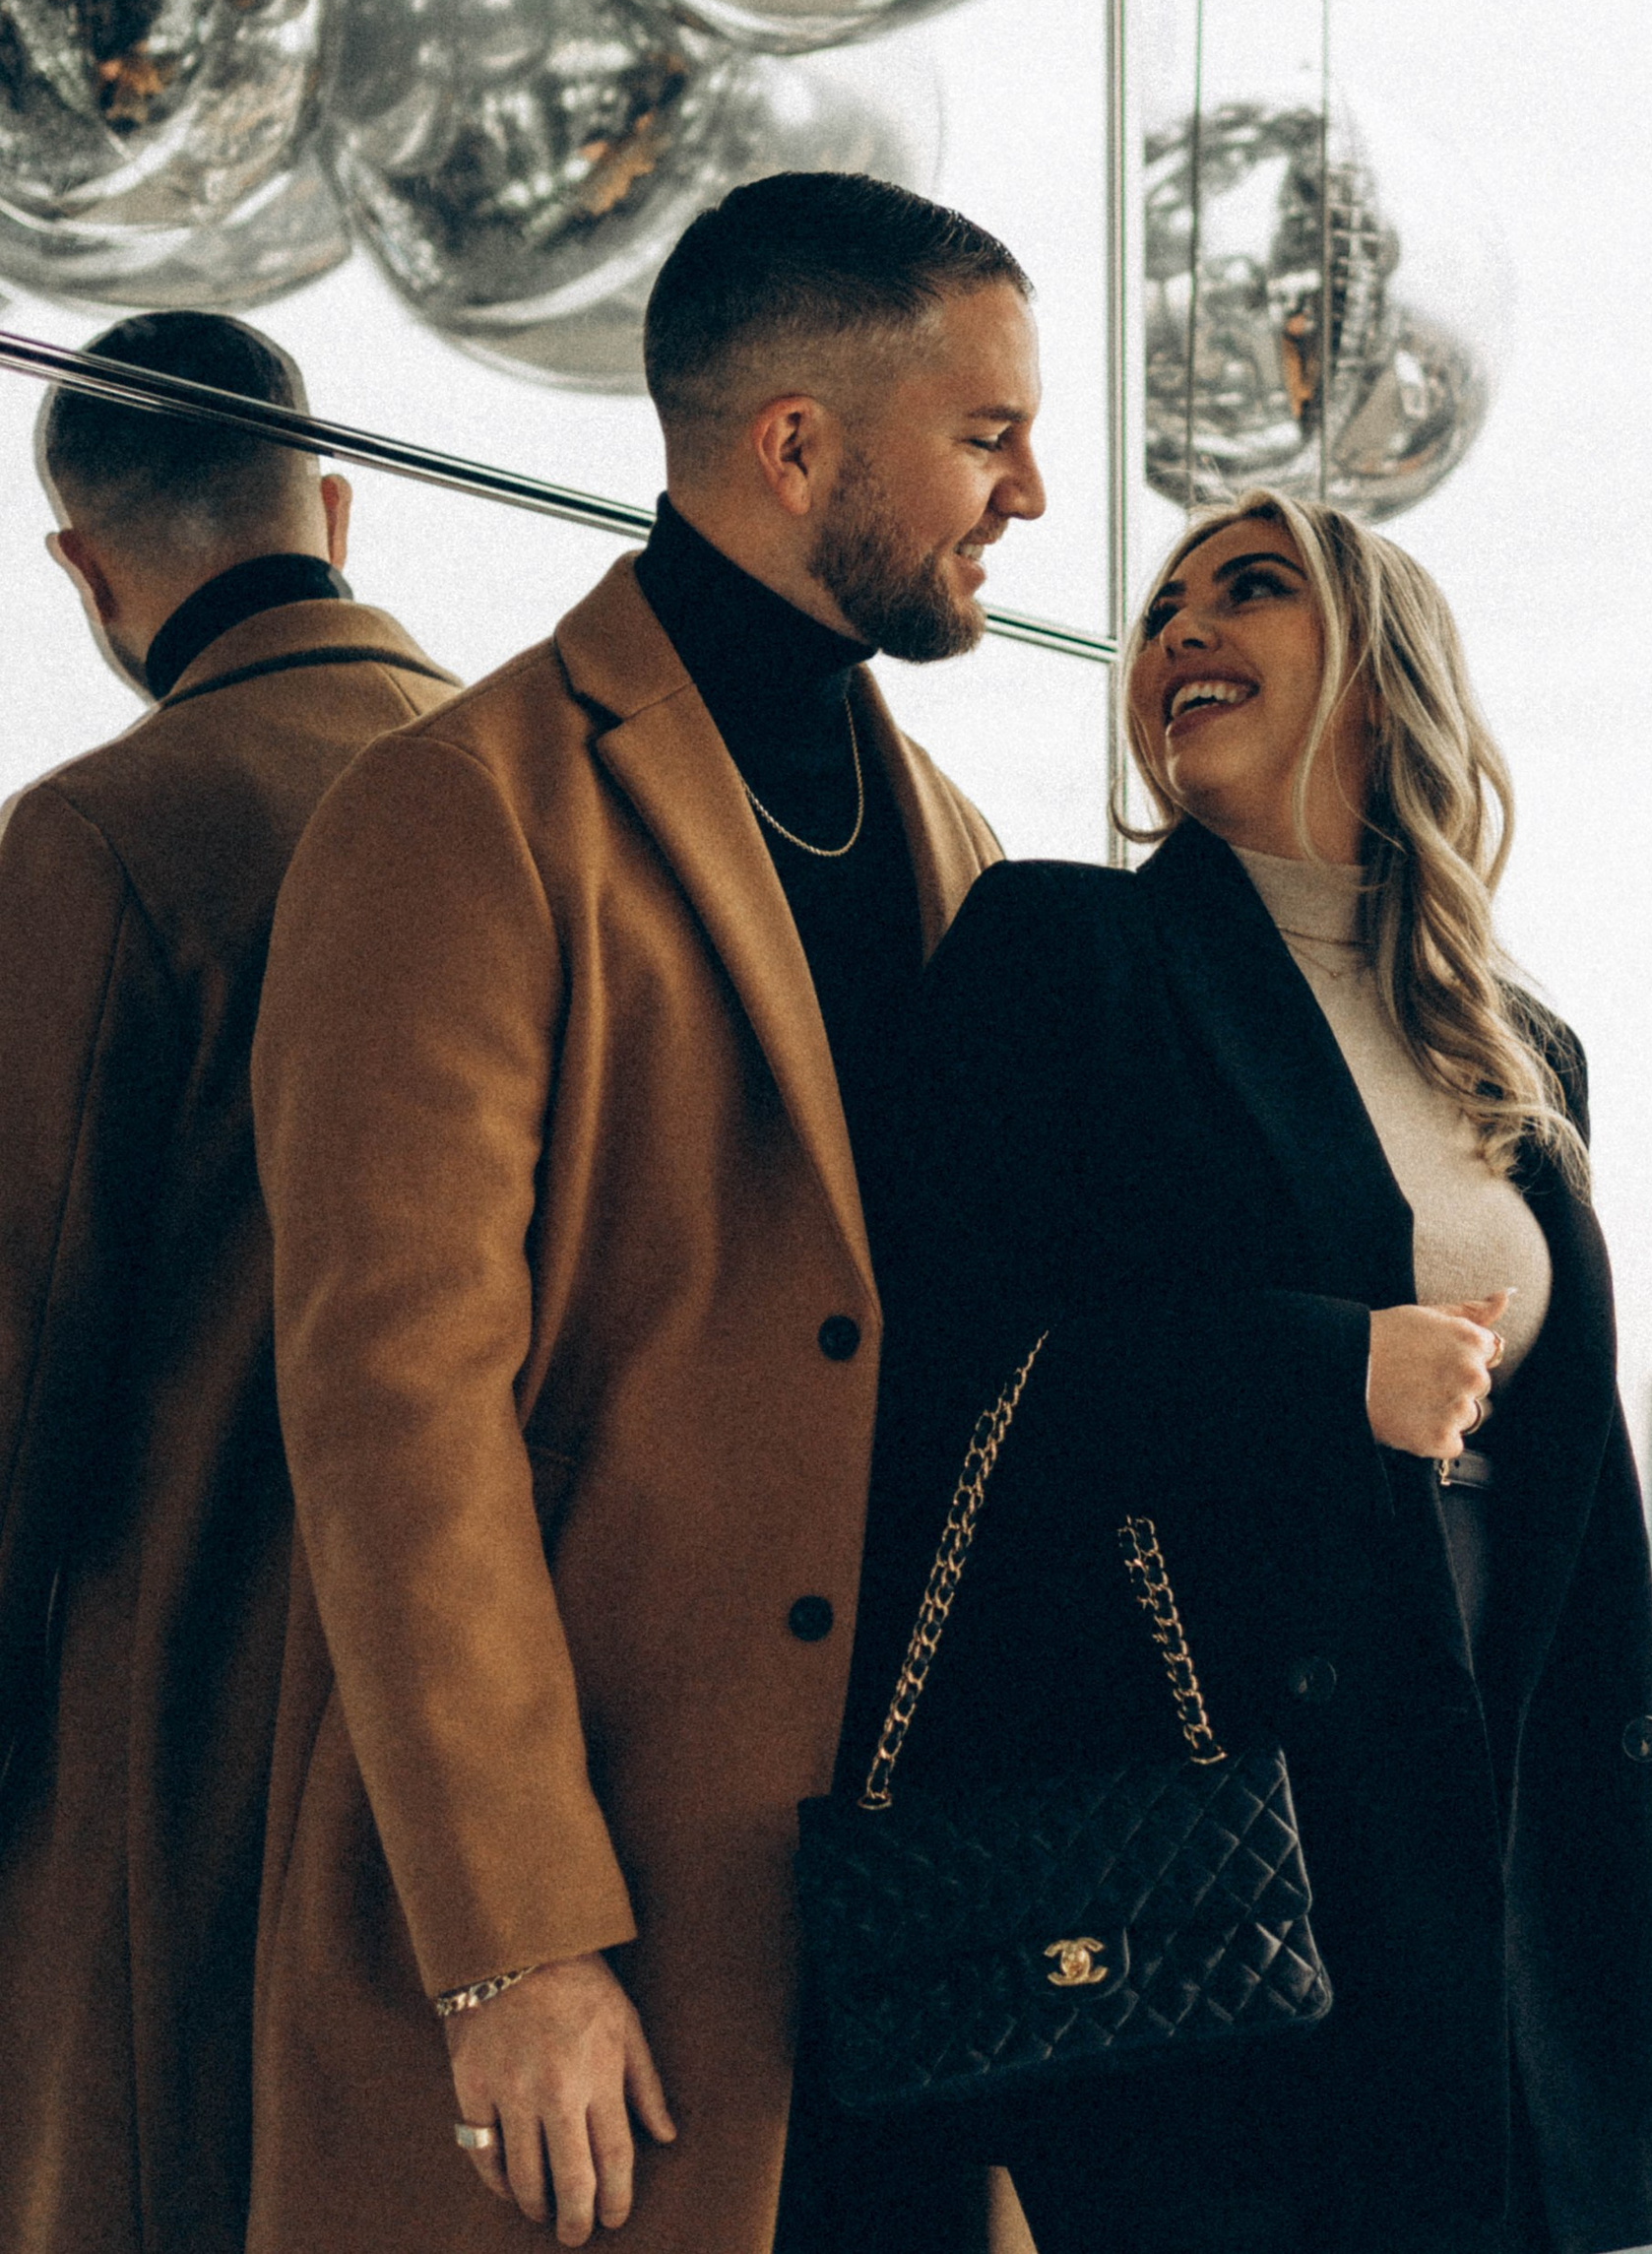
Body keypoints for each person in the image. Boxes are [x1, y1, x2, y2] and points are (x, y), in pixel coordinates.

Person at [247, 175, 1045, 2254]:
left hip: (909, 1942)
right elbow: (391, 1413)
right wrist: (515, 1944)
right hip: (610, 1950)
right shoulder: (456, 810)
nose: (1028, 493)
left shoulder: (947, 827)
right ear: (797, 444)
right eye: (985, 434)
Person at [844, 490, 1652, 2254]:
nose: (1184, 630)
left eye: (1252, 590)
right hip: (1222, 1842)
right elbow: (940, 1374)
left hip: (1512, 1851)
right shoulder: (1064, 953)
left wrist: (1651, 1910)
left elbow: (1589, 1512)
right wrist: (1321, 1370)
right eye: (1165, 608)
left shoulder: (1521, 1045)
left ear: (1385, 684)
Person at [0, 309, 457, 2254]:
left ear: (82, 569)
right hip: (530, 1775)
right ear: (336, 504)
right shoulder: (563, 802)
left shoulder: (116, 830)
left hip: (179, 1736)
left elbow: (18, 1361)